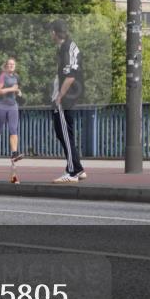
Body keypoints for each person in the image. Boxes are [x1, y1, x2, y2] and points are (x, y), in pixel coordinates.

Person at [49, 20, 86, 183]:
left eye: (51, 31)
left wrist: (59, 96)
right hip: (66, 98)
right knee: (62, 133)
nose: (50, 34)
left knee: (65, 134)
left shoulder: (67, 49)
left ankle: (72, 172)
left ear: (55, 33)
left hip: (65, 99)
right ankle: (77, 168)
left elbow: (70, 76)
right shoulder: (67, 48)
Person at [0, 57, 23, 164]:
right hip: (1, 106)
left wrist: (18, 92)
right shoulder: (2, 76)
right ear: (6, 66)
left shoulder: (17, 77)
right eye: (10, 64)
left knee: (13, 130)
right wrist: (12, 89)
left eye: (13, 64)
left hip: (13, 106)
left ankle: (14, 154)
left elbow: (16, 89)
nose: (11, 66)